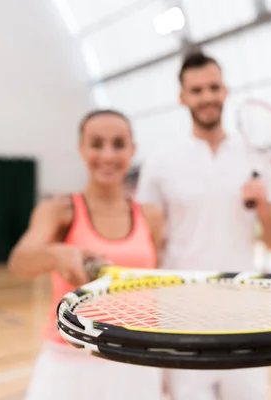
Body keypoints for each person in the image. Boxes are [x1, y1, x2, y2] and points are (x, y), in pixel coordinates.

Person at [136, 51, 271, 400]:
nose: (206, 97)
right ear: (182, 97)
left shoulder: (259, 157)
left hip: (244, 307)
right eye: (197, 90)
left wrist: (264, 205)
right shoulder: (160, 161)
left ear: (226, 90)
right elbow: (150, 245)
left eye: (213, 87)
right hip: (182, 310)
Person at [8, 109, 164, 400]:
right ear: (81, 149)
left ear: (132, 150)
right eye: (96, 144)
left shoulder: (150, 216)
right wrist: (58, 255)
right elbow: (20, 261)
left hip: (135, 360)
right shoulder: (60, 210)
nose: (107, 154)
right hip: (70, 360)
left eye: (118, 144)